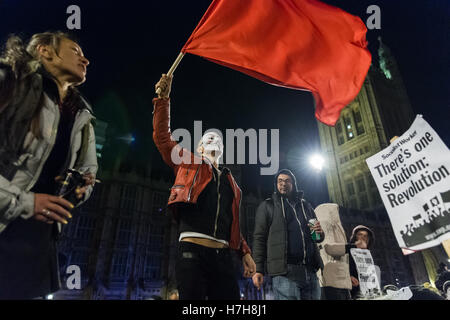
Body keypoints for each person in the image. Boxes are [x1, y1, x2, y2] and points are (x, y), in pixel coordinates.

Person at [0, 32, 98, 299]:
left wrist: (81, 189)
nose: (85, 60)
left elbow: (89, 171)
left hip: (37, 244)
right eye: (75, 51)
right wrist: (26, 202)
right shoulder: (10, 83)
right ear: (45, 51)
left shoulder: (82, 116)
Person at [152, 74, 256, 300]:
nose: (213, 140)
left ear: (222, 150)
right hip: (192, 251)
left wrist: (245, 253)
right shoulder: (189, 162)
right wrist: (163, 100)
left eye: (217, 139)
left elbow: (233, 225)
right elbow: (162, 138)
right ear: (198, 148)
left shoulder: (233, 185)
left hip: (223, 256)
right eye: (207, 139)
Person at [252, 169, 325, 300]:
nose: (283, 184)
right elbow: (259, 238)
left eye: (287, 181)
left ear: (293, 184)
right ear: (276, 184)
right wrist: (258, 269)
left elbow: (317, 238)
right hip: (285, 272)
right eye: (280, 181)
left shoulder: (306, 206)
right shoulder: (268, 206)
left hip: (310, 271)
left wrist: (319, 233)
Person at [348, 225, 375, 299]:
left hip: (366, 293)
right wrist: (348, 277)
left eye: (366, 236)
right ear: (355, 237)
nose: (363, 237)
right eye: (360, 234)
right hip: (350, 291)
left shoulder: (368, 255)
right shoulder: (347, 251)